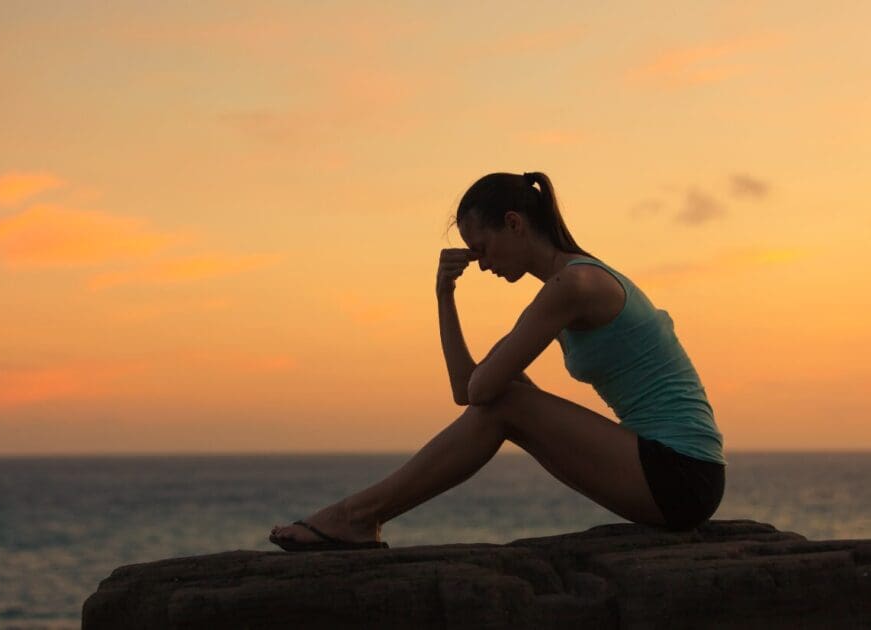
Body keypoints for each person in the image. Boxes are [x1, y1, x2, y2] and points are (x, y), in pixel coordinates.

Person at [269, 171, 726, 551]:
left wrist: (494, 390)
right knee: (510, 395)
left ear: (514, 223)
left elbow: (484, 393)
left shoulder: (575, 286)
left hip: (682, 476)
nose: (481, 263)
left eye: (481, 247)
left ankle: (356, 515)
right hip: (669, 473)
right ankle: (358, 516)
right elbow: (465, 389)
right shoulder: (564, 286)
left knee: (509, 401)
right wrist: (444, 296)